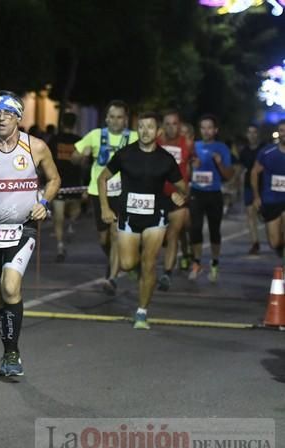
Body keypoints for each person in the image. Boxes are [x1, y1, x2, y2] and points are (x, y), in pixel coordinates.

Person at [0, 91, 60, 376]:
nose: (1, 118)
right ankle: (6, 347)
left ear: (18, 118)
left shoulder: (35, 147)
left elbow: (54, 179)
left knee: (10, 287)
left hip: (22, 229)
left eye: (8, 113)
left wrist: (44, 203)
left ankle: (12, 354)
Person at [97, 111, 187, 330]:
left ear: (158, 132)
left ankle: (142, 312)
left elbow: (183, 187)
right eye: (142, 127)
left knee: (149, 262)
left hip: (156, 218)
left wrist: (179, 195)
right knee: (127, 264)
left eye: (150, 127)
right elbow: (103, 178)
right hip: (128, 217)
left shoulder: (166, 159)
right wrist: (105, 207)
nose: (145, 131)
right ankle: (136, 273)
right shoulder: (125, 154)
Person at [72, 100, 138, 294]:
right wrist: (81, 156)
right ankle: (120, 261)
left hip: (124, 192)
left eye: (119, 117)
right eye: (112, 117)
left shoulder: (134, 137)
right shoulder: (95, 135)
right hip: (98, 192)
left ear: (125, 120)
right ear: (106, 118)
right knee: (104, 239)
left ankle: (112, 277)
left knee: (116, 234)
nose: (115, 121)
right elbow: (74, 157)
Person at [188, 114, 234, 282]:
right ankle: (197, 262)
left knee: (215, 230)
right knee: (195, 228)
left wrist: (219, 163)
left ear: (215, 130)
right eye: (203, 128)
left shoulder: (222, 148)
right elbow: (184, 171)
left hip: (214, 194)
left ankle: (214, 263)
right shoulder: (193, 146)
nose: (206, 131)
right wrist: (192, 167)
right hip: (196, 192)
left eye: (209, 128)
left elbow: (228, 175)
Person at [157, 110, 193, 291]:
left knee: (172, 235)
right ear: (163, 126)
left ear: (179, 125)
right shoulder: (157, 141)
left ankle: (167, 273)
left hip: (178, 197)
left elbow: (192, 165)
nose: (171, 127)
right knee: (157, 237)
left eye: (175, 123)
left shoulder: (186, 143)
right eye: (168, 124)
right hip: (158, 196)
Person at [251, 119, 285, 263]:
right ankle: (280, 247)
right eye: (282, 130)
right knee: (274, 242)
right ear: (278, 133)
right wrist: (257, 197)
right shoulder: (267, 152)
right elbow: (254, 172)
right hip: (271, 201)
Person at [50, 112, 82, 262]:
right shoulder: (58, 140)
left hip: (73, 183)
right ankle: (60, 246)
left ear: (62, 123)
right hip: (61, 182)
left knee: (68, 214)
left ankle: (69, 228)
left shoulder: (77, 141)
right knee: (60, 215)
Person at [240, 124, 266, 255]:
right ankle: (255, 243)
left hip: (265, 185)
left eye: (254, 132)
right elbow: (241, 169)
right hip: (249, 186)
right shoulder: (244, 151)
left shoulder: (265, 149)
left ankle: (277, 239)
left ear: (258, 134)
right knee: (250, 213)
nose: (252, 135)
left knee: (268, 215)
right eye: (249, 132)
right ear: (246, 135)